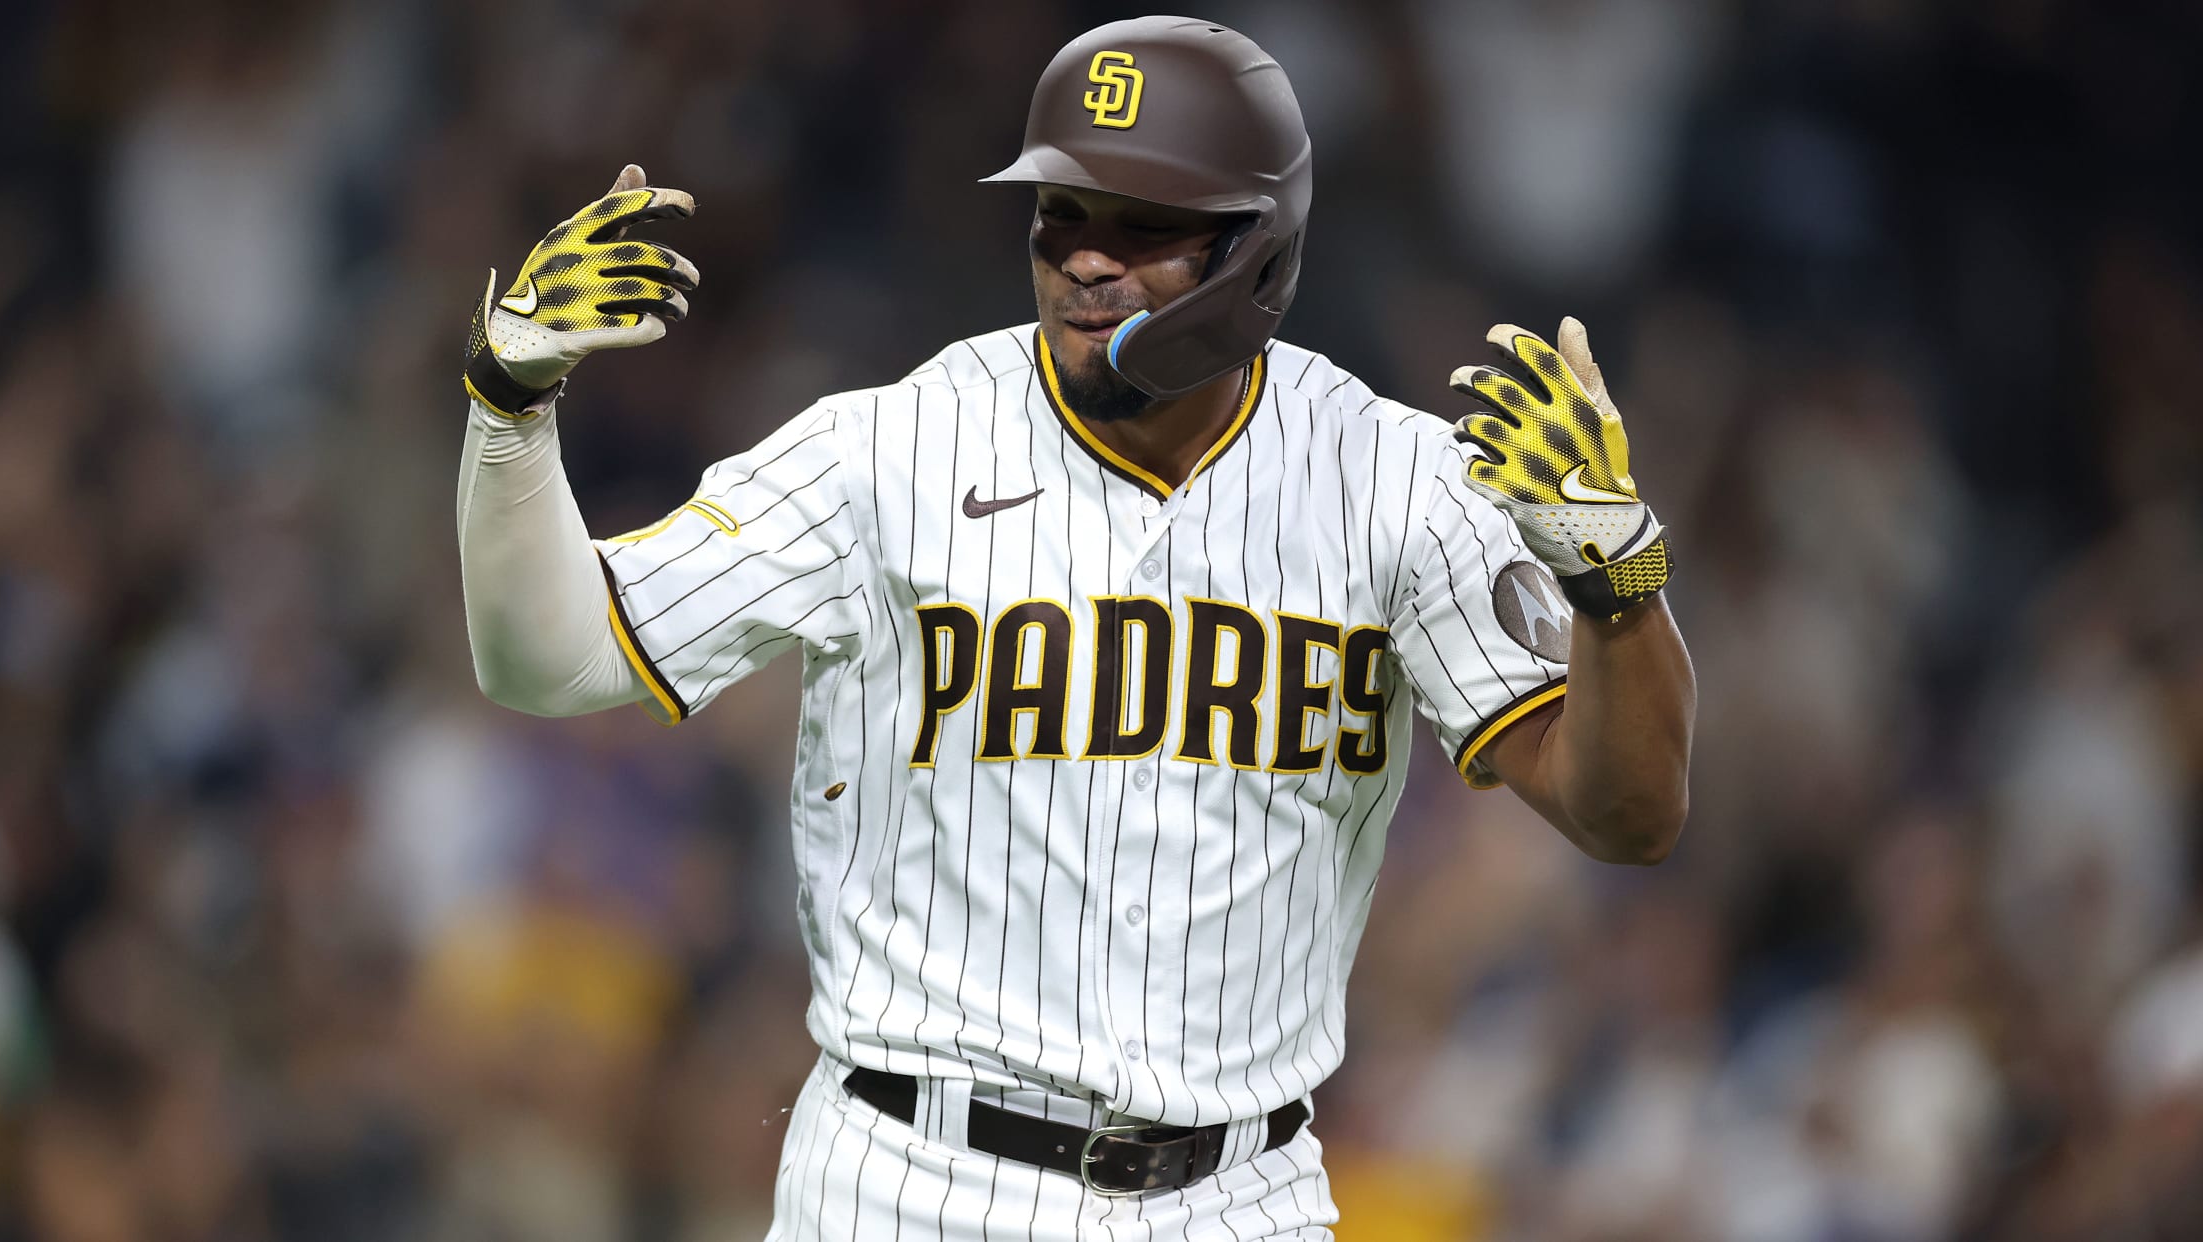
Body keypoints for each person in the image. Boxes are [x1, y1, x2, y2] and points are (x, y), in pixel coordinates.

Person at [455, 15, 1693, 1239]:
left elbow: (1629, 815)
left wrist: (1618, 580)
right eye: (1062, 214)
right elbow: (552, 661)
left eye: (1143, 226)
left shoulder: (1396, 484)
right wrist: (510, 407)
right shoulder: (886, 450)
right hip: (911, 1179)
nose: (1087, 261)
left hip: (1237, 1195)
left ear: (1258, 249)